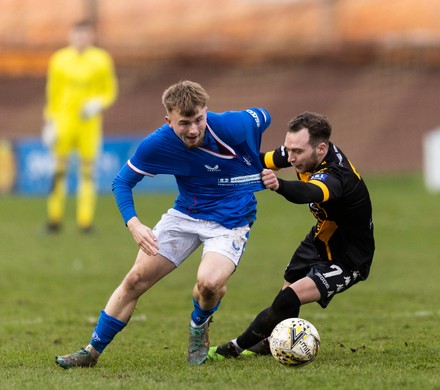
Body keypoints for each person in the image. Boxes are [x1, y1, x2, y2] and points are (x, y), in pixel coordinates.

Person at [55, 80, 286, 368]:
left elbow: (264, 115)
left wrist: (260, 163)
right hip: (186, 216)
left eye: (199, 120)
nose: (193, 129)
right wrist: (135, 224)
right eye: (184, 123)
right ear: (169, 120)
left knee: (210, 284)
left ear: (206, 112)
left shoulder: (234, 125)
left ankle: (198, 327)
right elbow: (122, 182)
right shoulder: (157, 144)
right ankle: (91, 351)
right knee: (135, 279)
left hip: (231, 221)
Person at [208, 111, 375, 360]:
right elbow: (263, 160)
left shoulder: (337, 176)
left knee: (289, 297)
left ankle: (234, 348)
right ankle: (270, 342)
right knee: (285, 293)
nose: (291, 156)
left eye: (297, 152)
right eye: (289, 149)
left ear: (320, 149)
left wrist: (279, 184)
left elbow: (308, 192)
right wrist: (222, 163)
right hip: (320, 238)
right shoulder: (301, 151)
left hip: (349, 257)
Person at [42, 19, 118, 233]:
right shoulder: (59, 59)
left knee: (87, 173)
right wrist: (49, 121)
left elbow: (110, 90)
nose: (80, 38)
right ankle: (54, 219)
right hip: (63, 122)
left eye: (85, 34)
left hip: (89, 125)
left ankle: (85, 221)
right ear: (70, 36)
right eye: (77, 34)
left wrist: (98, 103)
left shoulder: (102, 59)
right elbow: (52, 92)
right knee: (58, 171)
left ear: (91, 36)